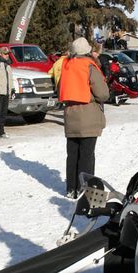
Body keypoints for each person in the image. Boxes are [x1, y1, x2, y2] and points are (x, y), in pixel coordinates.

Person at [58, 36, 109, 199]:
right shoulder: (89, 66)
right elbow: (103, 94)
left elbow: (60, 88)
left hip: (70, 116)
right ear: (87, 51)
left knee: (72, 155)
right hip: (88, 116)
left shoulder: (66, 66)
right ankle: (84, 190)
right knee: (87, 156)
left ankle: (70, 188)